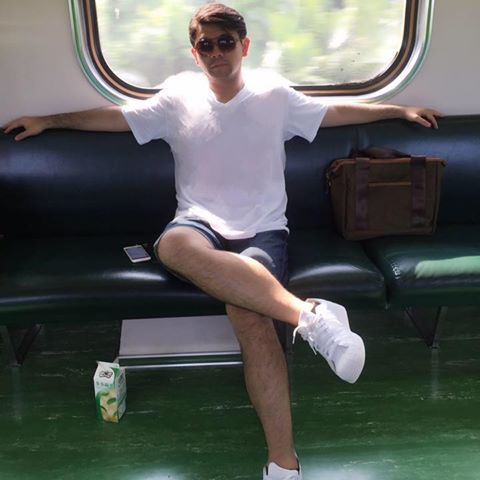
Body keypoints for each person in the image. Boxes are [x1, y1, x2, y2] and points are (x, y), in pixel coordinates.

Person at [3, 3, 441, 479]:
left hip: (263, 228)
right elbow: (118, 117)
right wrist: (51, 121)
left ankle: (283, 464)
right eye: (205, 45)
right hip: (198, 224)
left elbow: (334, 112)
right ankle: (310, 317)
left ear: (244, 46)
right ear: (195, 53)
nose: (215, 52)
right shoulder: (177, 97)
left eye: (225, 42)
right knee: (171, 247)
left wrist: (397, 109)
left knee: (251, 317)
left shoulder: (274, 94)